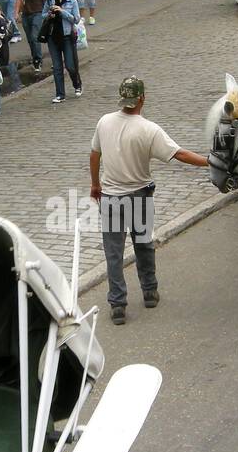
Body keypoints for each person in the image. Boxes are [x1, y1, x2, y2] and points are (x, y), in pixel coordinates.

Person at [89, 77, 208, 324]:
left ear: (121, 98)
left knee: (113, 253)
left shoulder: (104, 122)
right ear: (142, 98)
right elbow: (180, 154)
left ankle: (118, 304)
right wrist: (210, 161)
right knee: (143, 244)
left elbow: (95, 154)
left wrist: (95, 184)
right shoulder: (149, 129)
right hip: (139, 195)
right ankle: (150, 291)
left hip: (110, 197)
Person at [42, 0, 82, 103]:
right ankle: (60, 94)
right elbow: (43, 15)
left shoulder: (72, 1)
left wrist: (62, 12)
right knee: (57, 67)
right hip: (53, 36)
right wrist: (49, 14)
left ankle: (77, 84)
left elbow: (76, 19)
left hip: (67, 36)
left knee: (70, 65)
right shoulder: (50, 0)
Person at [18, 0, 49, 73]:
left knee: (35, 36)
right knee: (30, 38)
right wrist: (17, 12)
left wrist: (46, 11)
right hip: (26, 12)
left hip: (38, 11)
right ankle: (34, 56)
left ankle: (38, 59)